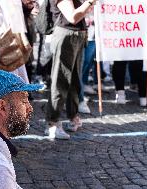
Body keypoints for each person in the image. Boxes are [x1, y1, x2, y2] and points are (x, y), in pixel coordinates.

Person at [44, 0, 97, 139]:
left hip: (77, 35)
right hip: (66, 35)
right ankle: (52, 123)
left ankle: (72, 116)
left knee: (74, 81)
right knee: (60, 80)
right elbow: (72, 17)